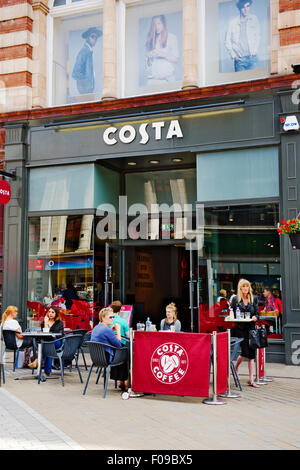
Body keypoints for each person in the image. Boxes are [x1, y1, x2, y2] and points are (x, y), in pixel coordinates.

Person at [231, 279, 260, 387]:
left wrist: (255, 317)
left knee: (251, 355)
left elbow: (257, 314)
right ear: (240, 288)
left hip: (251, 328)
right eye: (243, 287)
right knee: (245, 352)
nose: (246, 288)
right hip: (240, 328)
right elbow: (232, 313)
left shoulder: (254, 299)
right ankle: (236, 367)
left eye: (247, 286)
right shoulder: (235, 299)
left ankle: (251, 380)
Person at [91, 307, 128, 385]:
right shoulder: (106, 329)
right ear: (103, 318)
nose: (112, 319)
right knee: (126, 353)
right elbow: (118, 345)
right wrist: (118, 330)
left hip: (96, 358)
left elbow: (105, 337)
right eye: (110, 317)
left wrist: (112, 330)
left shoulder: (96, 327)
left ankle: (118, 379)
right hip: (106, 358)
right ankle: (123, 381)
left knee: (121, 353)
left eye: (113, 317)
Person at [225, 0, 260, 72]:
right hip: (240, 60)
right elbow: (227, 41)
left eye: (247, 6)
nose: (246, 9)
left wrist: (254, 51)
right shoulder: (232, 23)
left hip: (252, 58)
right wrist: (234, 56)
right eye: (243, 7)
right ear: (239, 8)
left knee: (255, 82)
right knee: (241, 83)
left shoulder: (254, 19)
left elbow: (258, 36)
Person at [145, 15, 179, 85]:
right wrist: (149, 57)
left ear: (164, 24)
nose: (156, 27)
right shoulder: (151, 39)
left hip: (168, 80)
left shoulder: (172, 37)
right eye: (154, 25)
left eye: (159, 23)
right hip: (153, 80)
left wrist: (162, 54)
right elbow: (147, 66)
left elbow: (176, 60)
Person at [72, 27, 102, 95]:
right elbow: (76, 73)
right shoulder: (84, 52)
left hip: (89, 92)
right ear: (87, 38)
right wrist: (86, 87)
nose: (95, 39)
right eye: (92, 36)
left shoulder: (89, 51)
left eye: (96, 38)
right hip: (85, 93)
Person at [39, 306, 64, 376]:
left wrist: (54, 336)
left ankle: (39, 361)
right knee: (49, 346)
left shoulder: (59, 323)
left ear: (56, 314)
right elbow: (44, 333)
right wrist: (46, 323)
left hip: (57, 342)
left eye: (53, 312)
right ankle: (47, 372)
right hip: (49, 343)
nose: (50, 314)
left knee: (49, 341)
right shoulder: (44, 322)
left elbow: (61, 335)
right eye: (49, 312)